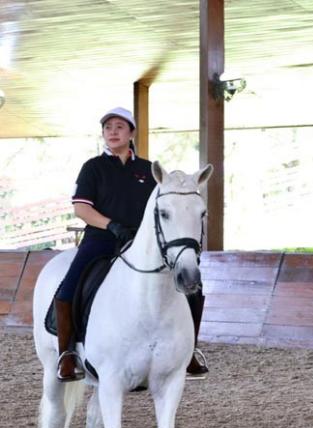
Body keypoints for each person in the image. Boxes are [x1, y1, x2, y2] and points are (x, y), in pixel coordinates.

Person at [54, 107, 209, 381]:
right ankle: (67, 354)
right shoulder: (93, 167)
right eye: (108, 128)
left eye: (119, 127)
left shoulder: (149, 171)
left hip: (144, 243)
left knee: (192, 286)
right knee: (69, 287)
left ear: (131, 133)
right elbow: (81, 208)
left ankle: (190, 352)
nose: (112, 132)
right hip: (102, 238)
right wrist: (111, 225)